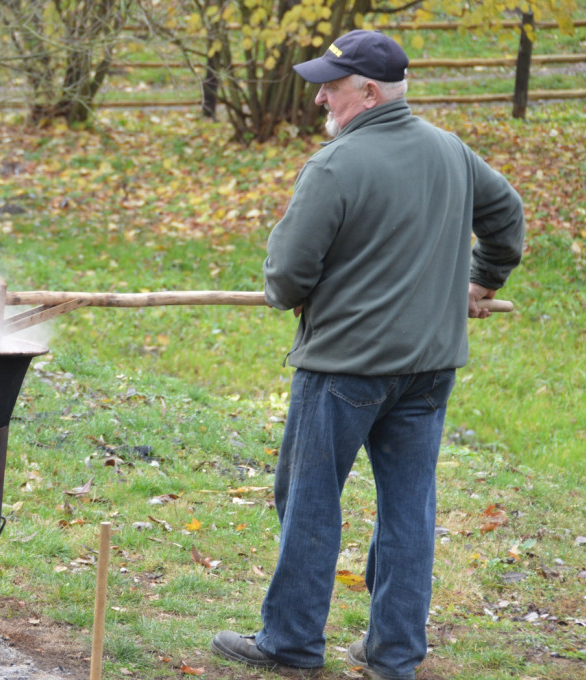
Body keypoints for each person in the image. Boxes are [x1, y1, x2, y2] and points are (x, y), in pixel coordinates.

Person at [211, 29, 525, 680]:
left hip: (344, 371)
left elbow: (289, 273)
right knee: (410, 509)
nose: (321, 97)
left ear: (370, 92)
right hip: (429, 370)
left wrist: (283, 293)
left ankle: (291, 643)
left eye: (332, 85)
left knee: (309, 499)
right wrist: (482, 278)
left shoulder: (335, 167)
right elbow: (507, 217)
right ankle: (394, 654)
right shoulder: (453, 153)